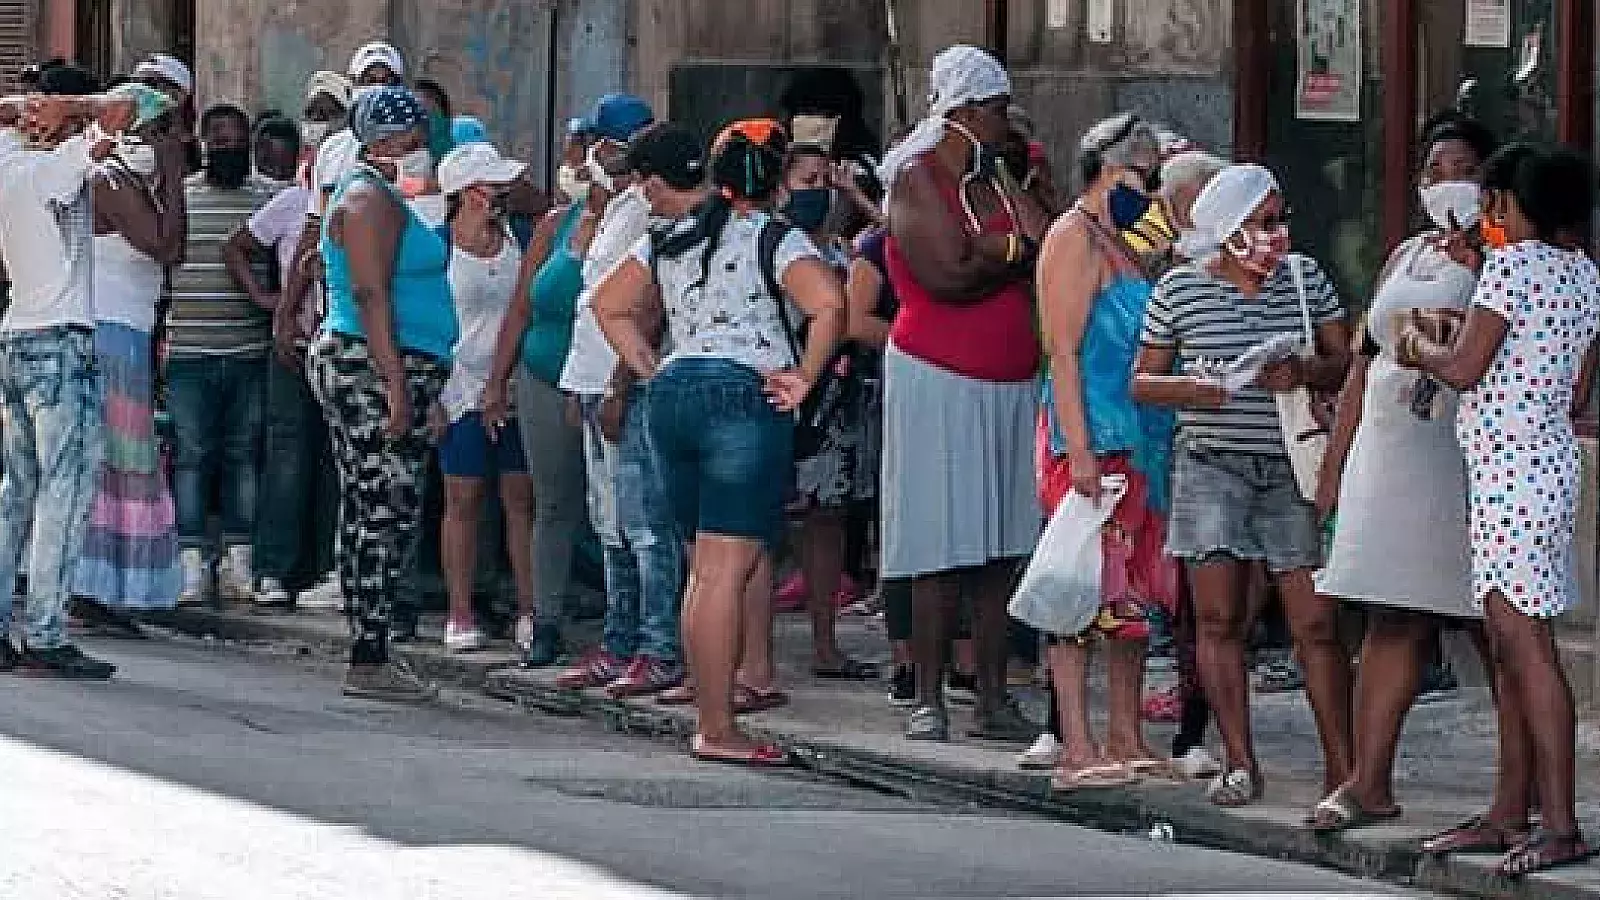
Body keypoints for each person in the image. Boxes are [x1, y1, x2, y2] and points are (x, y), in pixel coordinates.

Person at [593, 118, 846, 765]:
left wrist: (651, 366)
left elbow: (609, 304)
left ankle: (708, 710)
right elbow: (829, 304)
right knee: (726, 572)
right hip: (742, 395)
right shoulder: (776, 238)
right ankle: (717, 725)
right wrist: (805, 378)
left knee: (702, 573)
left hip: (674, 394)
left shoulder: (668, 238)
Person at [1397, 144, 1600, 877]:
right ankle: (1512, 810)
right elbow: (1575, 393)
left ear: (1511, 206)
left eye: (1492, 205)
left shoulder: (1512, 268)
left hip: (1511, 475)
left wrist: (1419, 347)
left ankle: (1560, 822)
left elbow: (1465, 367)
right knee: (1518, 651)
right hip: (1544, 464)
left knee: (1528, 654)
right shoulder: (1582, 274)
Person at [1131, 163, 1353, 808]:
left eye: (1279, 221)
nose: (1277, 235)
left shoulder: (1306, 280)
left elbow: (1344, 363)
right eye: (1263, 223)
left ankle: (1343, 770)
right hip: (1210, 462)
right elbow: (1144, 380)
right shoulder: (1179, 290)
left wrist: (1305, 368)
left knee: (1315, 620)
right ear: (1227, 228)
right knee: (1218, 616)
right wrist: (1197, 390)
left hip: (1290, 463)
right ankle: (1238, 760)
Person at [1308, 115, 1498, 831]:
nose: (1445, 184)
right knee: (1392, 614)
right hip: (1389, 450)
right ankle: (1368, 781)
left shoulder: (1506, 257)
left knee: (1489, 625)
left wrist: (1479, 257)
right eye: (1433, 171)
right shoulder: (1406, 253)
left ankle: (1526, 790)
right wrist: (1336, 460)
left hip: (1460, 449)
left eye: (1461, 170)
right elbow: (1364, 358)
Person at [879, 45, 1050, 742]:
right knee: (939, 537)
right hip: (939, 373)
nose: (1006, 123)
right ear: (966, 110)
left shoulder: (996, 181)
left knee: (1001, 543)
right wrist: (1009, 261)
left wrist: (1003, 249)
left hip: (1010, 376)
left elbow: (1045, 242)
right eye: (998, 109)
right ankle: (928, 696)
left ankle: (991, 696)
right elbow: (947, 275)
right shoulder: (918, 180)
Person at [1030, 113, 1179, 790]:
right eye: (1137, 174)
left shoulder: (1123, 242)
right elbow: (1061, 350)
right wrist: (1079, 448)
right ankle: (1077, 745)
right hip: (1093, 434)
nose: (1146, 188)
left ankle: (1124, 732)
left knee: (1133, 595)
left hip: (1140, 437)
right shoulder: (1072, 237)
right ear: (1104, 169)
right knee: (1083, 587)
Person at [310, 85, 457, 702]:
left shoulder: (388, 196)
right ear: (382, 142)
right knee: (381, 505)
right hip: (369, 364)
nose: (422, 149)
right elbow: (371, 297)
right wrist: (397, 384)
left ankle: (372, 642)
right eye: (412, 139)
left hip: (393, 365)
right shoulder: (369, 199)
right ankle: (369, 650)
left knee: (377, 501)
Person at [524, 94, 668, 683]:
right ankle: (618, 640)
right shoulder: (605, 209)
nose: (591, 153)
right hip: (585, 382)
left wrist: (616, 386)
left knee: (641, 525)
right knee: (606, 520)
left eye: (603, 144)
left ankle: (655, 647)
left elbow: (645, 308)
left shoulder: (646, 212)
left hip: (621, 385)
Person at [0, 70, 137, 676]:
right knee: (66, 489)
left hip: (17, 336)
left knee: (16, 492)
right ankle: (46, 632)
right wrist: (74, 111)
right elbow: (136, 106)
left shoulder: (9, 166)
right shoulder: (51, 171)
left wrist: (36, 109)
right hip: (59, 341)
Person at [71, 84, 187, 619]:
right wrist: (174, 172)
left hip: (130, 332)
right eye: (154, 130)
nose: (160, 140)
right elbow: (166, 245)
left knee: (124, 464)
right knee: (114, 463)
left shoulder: (135, 181)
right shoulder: (110, 181)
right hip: (109, 331)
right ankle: (87, 587)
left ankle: (103, 587)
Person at [228, 110, 340, 608]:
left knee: (334, 461)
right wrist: (270, 303)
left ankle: (323, 569)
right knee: (289, 455)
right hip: (295, 343)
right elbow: (240, 247)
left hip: (341, 346)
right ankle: (274, 568)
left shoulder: (365, 207)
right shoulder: (292, 203)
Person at [777, 141, 881, 679]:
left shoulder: (843, 248)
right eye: (808, 180)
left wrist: (857, 196)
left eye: (825, 180)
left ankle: (823, 640)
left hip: (839, 401)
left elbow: (893, 237)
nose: (819, 191)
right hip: (792, 390)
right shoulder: (779, 247)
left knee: (828, 520)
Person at [165, 103, 274, 605]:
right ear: (204, 145)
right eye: (219, 141)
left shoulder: (270, 199)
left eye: (237, 141)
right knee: (190, 456)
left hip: (248, 350)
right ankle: (190, 560)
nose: (228, 149)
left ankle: (238, 557)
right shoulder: (179, 198)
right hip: (188, 350)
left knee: (243, 456)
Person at [430, 142, 534, 652]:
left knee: (521, 499)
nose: (502, 193)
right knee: (463, 499)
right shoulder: (437, 247)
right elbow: (426, 322)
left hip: (514, 385)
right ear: (469, 193)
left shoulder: (519, 237)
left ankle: (529, 609)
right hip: (459, 388)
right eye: (493, 185)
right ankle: (460, 609)